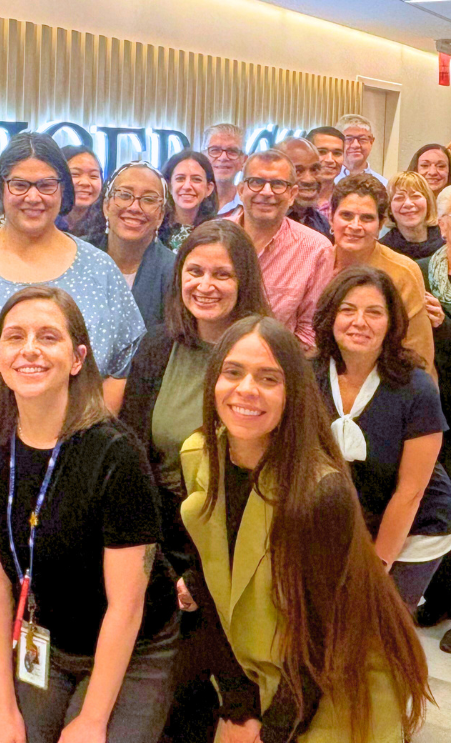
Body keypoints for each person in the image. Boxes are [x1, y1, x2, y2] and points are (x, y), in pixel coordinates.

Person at [0, 132, 144, 742]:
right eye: (19, 183)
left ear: (66, 194)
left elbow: (117, 366)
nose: (33, 196)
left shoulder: (98, 272)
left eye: (48, 184)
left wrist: (66, 450)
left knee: (61, 634)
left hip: (72, 491)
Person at [180, 316, 432, 743]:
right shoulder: (199, 454)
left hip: (334, 680)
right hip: (257, 667)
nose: (246, 389)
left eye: (268, 378)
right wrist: (240, 707)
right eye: (233, 371)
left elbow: (323, 637)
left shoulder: (320, 490)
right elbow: (209, 581)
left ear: (292, 393)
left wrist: (274, 730)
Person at [0, 286, 178, 743]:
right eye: (15, 337)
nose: (30, 350)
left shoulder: (115, 454)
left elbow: (126, 606)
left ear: (78, 358)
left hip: (135, 644)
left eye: (48, 337)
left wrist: (92, 720)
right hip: (44, 639)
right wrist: (1, 705)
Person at [119, 221, 270, 743]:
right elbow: (134, 453)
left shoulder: (268, 355)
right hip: (162, 537)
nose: (206, 284)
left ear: (245, 281)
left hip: (235, 545)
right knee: (169, 695)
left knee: (229, 700)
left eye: (222, 274)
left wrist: (203, 573)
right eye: (195, 271)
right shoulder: (158, 347)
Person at [312, 266, 451, 607]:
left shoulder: (416, 387)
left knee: (382, 625)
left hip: (415, 522)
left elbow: (411, 492)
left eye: (374, 312)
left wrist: (376, 568)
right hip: (352, 515)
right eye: (347, 310)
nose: (359, 322)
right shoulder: (309, 377)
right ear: (330, 317)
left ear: (392, 323)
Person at [414, 183, 451, 652]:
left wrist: (444, 327)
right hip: (428, 410)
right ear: (443, 223)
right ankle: (438, 596)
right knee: (428, 506)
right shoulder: (419, 273)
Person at [328, 174, 435, 378]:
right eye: (347, 215)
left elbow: (418, 354)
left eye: (367, 218)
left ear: (381, 223)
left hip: (390, 385)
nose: (355, 226)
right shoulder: (315, 263)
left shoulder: (404, 272)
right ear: (330, 218)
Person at [230, 149, 334, 348]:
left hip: (279, 368)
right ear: (241, 190)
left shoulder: (316, 250)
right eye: (257, 182)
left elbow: (310, 333)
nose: (267, 192)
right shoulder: (213, 239)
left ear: (292, 194)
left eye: (278, 184)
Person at [87, 161, 174, 328]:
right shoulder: (77, 256)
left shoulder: (174, 271)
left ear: (160, 215)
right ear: (106, 206)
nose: (135, 207)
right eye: (125, 195)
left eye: (148, 199)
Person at [159, 150, 217, 251]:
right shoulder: (152, 231)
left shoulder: (217, 235)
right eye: (180, 178)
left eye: (196, 179)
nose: (187, 186)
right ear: (169, 186)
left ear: (209, 189)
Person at [381, 171, 443, 261]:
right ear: (389, 208)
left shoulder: (448, 243)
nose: (408, 204)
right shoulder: (382, 252)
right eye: (399, 198)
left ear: (428, 203)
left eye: (415, 196)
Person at [280, 137, 332, 238]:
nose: (309, 180)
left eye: (315, 169)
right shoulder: (267, 222)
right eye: (298, 171)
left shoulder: (322, 223)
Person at [59, 144, 106, 240]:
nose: (85, 183)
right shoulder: (44, 222)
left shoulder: (107, 227)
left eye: (93, 176)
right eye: (75, 174)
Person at [204, 123, 246, 215]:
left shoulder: (250, 207)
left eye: (232, 151)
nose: (223, 157)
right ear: (204, 156)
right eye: (215, 150)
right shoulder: (190, 204)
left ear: (243, 160)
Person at [307, 126, 346, 221]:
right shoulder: (291, 200)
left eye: (337, 153)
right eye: (322, 152)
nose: (330, 160)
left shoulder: (347, 201)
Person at [335, 115, 387, 185]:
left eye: (362, 139)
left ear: (371, 142)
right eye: (349, 139)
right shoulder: (326, 182)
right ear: (338, 142)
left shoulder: (383, 184)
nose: (356, 145)